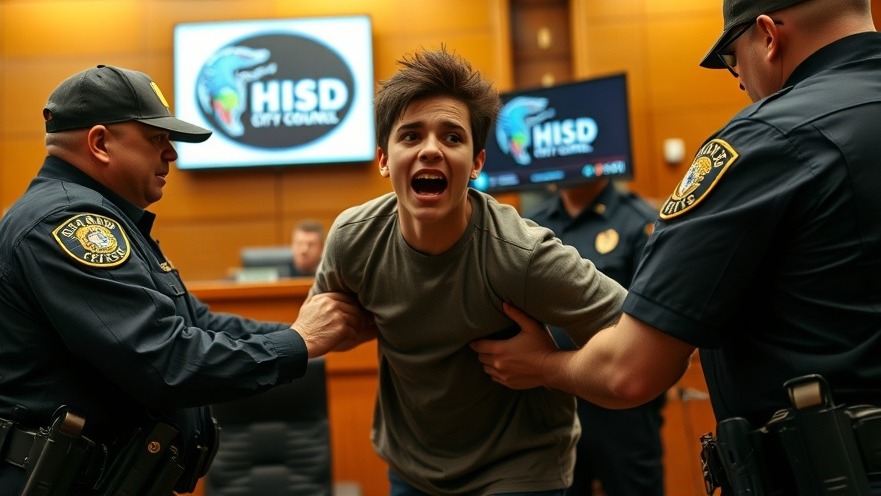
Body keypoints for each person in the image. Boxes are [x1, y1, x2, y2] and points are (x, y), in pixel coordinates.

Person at [472, 0, 881, 493]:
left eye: (733, 57)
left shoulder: (765, 142)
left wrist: (537, 364)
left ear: (769, 36)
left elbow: (630, 372)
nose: (738, 79)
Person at [0, 64, 373, 496]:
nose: (172, 154)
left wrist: (308, 334)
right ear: (100, 143)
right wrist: (298, 343)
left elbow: (197, 323)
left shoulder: (105, 217)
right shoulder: (67, 224)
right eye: (158, 139)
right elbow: (165, 360)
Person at [310, 46, 628, 495]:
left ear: (477, 163)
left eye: (452, 137)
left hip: (519, 469)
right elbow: (326, 321)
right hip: (412, 469)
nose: (431, 150)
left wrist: (547, 365)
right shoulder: (353, 238)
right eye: (411, 136)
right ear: (384, 159)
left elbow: (638, 340)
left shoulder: (520, 253)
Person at [524, 179, 665, 496]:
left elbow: (651, 325)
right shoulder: (529, 223)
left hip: (620, 407)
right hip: (552, 404)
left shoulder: (638, 220)